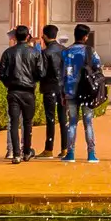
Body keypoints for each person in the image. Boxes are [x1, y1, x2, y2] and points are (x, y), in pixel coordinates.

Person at [0, 26, 44, 163]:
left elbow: (0, 73)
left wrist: (8, 83)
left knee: (14, 123)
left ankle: (16, 154)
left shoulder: (8, 52)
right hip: (28, 92)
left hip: (13, 92)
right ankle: (27, 152)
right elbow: (41, 73)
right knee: (27, 123)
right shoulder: (34, 53)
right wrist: (32, 80)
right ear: (28, 36)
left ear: (15, 37)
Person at [60, 23, 104, 163]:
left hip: (71, 92)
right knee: (88, 123)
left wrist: (62, 93)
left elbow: (61, 75)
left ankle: (71, 154)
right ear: (85, 37)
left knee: (72, 123)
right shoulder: (90, 51)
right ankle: (91, 154)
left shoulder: (66, 52)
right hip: (87, 91)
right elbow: (98, 68)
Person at [38, 24, 64, 156]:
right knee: (63, 119)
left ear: (46, 36)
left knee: (50, 119)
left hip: (49, 88)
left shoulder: (45, 53)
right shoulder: (64, 50)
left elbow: (42, 73)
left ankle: (49, 149)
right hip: (63, 89)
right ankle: (65, 149)